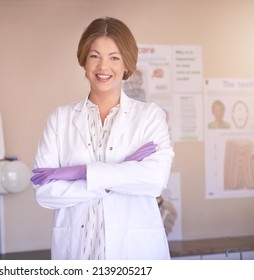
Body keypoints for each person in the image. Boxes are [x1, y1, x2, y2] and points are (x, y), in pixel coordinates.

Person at [31, 17, 174, 260]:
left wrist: (82, 173)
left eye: (114, 57)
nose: (103, 66)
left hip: (135, 255)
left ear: (127, 64)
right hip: (77, 253)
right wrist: (117, 175)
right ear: (84, 61)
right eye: (95, 56)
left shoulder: (150, 116)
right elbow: (44, 192)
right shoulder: (60, 118)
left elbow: (154, 180)